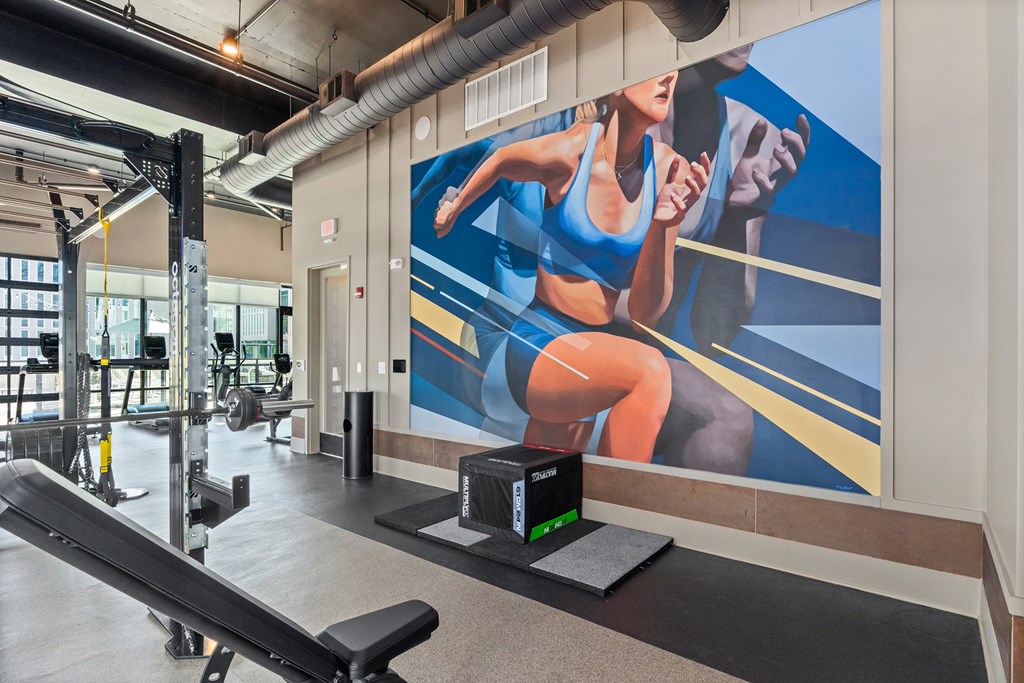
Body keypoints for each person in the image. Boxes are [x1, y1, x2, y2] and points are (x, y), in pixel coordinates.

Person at [434, 72, 711, 463]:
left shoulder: (669, 170)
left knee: (548, 480)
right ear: (615, 85)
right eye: (654, 68)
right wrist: (455, 206)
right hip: (539, 341)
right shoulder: (571, 152)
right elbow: (501, 160)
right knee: (651, 371)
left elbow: (643, 315)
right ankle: (631, 514)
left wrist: (664, 224)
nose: (669, 76)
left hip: (589, 349)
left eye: (674, 69)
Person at [647, 44, 812, 474]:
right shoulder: (616, 110)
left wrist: (738, 218)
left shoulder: (751, 139)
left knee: (729, 420)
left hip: (647, 363)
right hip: (557, 343)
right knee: (727, 413)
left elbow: (714, 334)